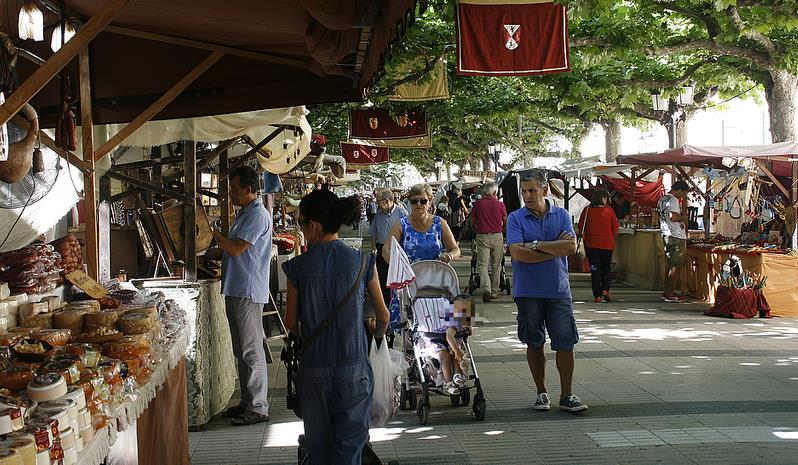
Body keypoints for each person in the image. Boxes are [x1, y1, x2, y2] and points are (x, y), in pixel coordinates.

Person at [283, 190, 390, 465]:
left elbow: (291, 322)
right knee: (349, 453)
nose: (301, 229)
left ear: (314, 226)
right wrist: (373, 337)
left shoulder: (297, 267)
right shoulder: (363, 261)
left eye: (301, 223)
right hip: (354, 368)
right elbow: (384, 316)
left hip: (314, 369)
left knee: (319, 453)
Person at [506, 169, 587, 413]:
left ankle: (566, 394)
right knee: (534, 342)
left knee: (566, 342)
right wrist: (554, 248)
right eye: (523, 191)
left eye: (531, 190)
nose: (527, 196)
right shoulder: (515, 218)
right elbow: (517, 254)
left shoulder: (561, 215)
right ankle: (541, 392)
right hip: (527, 290)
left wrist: (537, 246)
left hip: (558, 289)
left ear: (545, 190)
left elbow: (571, 247)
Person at [211, 166, 272, 426]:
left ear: (248, 190)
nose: (231, 193)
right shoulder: (244, 215)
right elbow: (230, 251)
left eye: (235, 189)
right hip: (235, 287)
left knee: (251, 349)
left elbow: (236, 249)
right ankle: (247, 402)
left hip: (248, 289)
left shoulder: (258, 215)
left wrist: (210, 233)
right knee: (240, 348)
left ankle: (259, 406)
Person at [384, 183, 461, 264]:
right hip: (410, 274)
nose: (418, 204)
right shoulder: (401, 224)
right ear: (410, 202)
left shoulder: (439, 222)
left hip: (435, 273)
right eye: (414, 201)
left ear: (430, 202)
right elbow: (386, 249)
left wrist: (449, 256)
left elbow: (455, 250)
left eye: (423, 201)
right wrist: (398, 265)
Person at [577, 189, 620, 303]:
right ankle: (605, 290)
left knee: (595, 269)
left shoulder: (587, 210)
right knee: (606, 268)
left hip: (591, 244)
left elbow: (581, 226)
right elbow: (615, 228)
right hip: (607, 243)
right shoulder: (609, 211)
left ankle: (597, 296)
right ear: (603, 198)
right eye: (606, 198)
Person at [368, 189, 408, 307]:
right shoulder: (378, 215)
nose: (377, 204)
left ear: (386, 201)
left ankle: (398, 301)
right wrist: (373, 247)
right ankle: (385, 302)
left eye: (378, 201)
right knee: (382, 275)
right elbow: (373, 234)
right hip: (381, 248)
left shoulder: (402, 213)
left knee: (396, 275)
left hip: (397, 249)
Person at [471, 182, 507, 303]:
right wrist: (503, 231)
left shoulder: (478, 204)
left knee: (482, 264)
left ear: (484, 192)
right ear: (495, 193)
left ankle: (486, 288)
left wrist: (476, 230)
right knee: (496, 265)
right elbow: (505, 220)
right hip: (497, 236)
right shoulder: (500, 205)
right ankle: (494, 291)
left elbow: (473, 220)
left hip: (482, 236)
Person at [658, 180, 690, 302]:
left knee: (671, 264)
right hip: (676, 235)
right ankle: (670, 293)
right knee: (675, 266)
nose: (683, 197)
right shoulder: (673, 200)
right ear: (679, 190)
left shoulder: (662, 199)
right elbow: (673, 216)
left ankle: (667, 291)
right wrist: (683, 217)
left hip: (666, 234)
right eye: (683, 194)